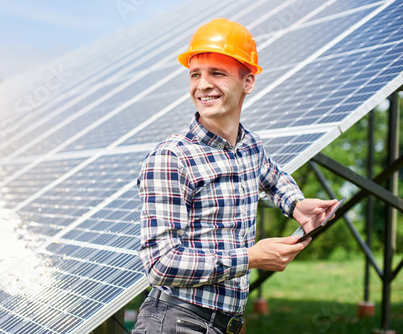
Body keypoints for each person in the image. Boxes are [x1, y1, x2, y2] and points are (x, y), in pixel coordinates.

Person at [134, 18, 338, 334]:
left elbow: (271, 175)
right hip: (175, 322)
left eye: (217, 73)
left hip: (225, 323)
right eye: (195, 74)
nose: (202, 85)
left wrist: (297, 205)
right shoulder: (172, 158)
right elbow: (162, 264)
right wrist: (251, 258)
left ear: (248, 82)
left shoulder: (249, 146)